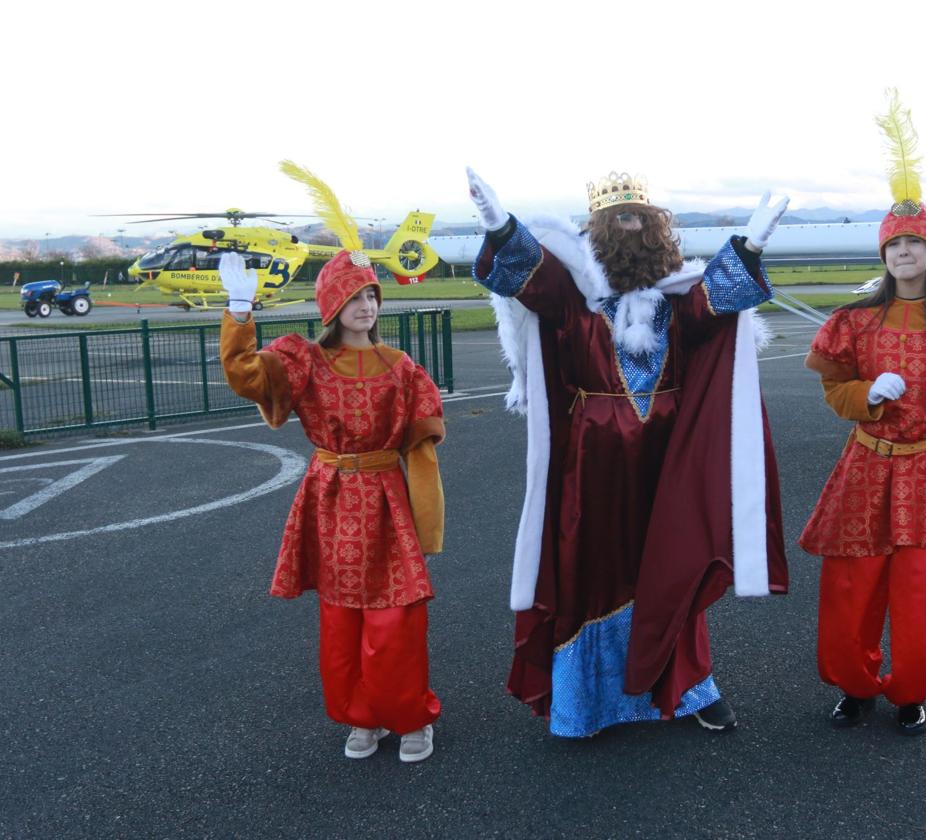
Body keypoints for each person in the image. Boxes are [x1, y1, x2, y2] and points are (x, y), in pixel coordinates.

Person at [466, 168, 789, 738]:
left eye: (639, 217)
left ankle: (688, 687)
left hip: (669, 457)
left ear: (657, 231)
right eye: (617, 220)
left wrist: (749, 245)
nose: (628, 225)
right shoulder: (575, 298)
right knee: (590, 563)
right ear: (598, 232)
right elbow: (531, 280)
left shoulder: (675, 300)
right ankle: (584, 701)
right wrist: (501, 228)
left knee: (674, 558)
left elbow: (713, 305)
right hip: (592, 460)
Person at [218, 161, 446, 763]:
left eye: (372, 295)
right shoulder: (303, 363)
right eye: (355, 296)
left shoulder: (404, 370)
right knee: (342, 620)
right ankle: (360, 716)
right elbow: (247, 376)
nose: (367, 306)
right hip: (329, 494)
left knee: (396, 616)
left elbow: (420, 450)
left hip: (385, 497)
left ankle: (410, 716)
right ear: (331, 305)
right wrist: (240, 314)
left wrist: (428, 520)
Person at [799, 93, 926, 734]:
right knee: (852, 587)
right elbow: (834, 391)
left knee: (917, 591)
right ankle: (855, 686)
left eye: (916, 245)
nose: (904, 255)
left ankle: (909, 689)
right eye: (895, 246)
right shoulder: (853, 322)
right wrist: (866, 395)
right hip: (867, 465)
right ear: (884, 256)